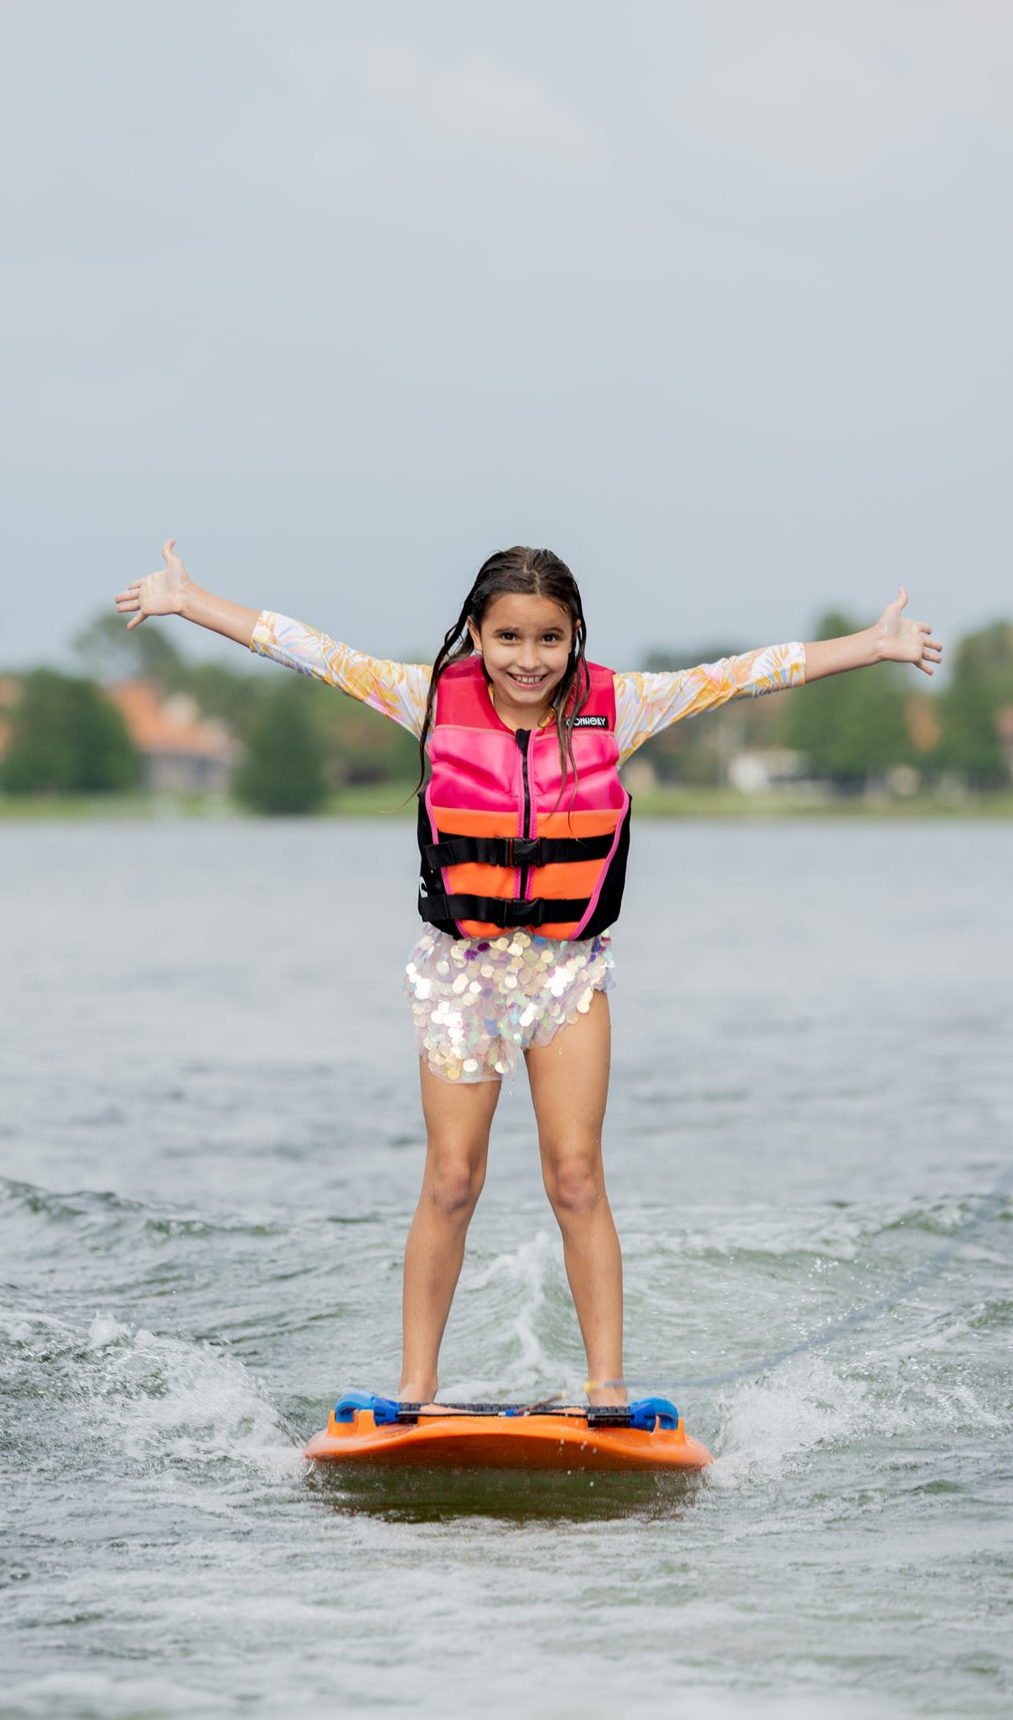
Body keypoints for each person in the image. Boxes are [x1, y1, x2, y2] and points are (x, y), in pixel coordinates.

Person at [115, 541, 941, 1406]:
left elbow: (746, 674)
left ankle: (608, 1389)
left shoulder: (621, 706)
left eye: (550, 638)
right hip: (461, 969)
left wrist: (870, 645)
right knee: (451, 1177)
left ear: (575, 635)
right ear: (475, 632)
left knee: (577, 1174)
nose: (528, 659)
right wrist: (190, 599)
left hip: (566, 970)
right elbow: (308, 649)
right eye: (508, 637)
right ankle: (415, 1389)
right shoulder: (428, 698)